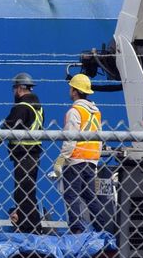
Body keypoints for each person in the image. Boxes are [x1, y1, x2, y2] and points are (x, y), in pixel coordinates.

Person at [0, 72, 44, 234]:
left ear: (19, 88)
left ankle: (31, 228)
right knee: (27, 192)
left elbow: (8, 127)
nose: (13, 93)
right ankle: (29, 227)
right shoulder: (37, 107)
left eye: (14, 89)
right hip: (33, 155)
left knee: (23, 193)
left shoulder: (22, 107)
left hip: (24, 155)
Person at [52, 73, 109, 234]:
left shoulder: (75, 111)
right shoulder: (95, 112)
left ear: (75, 91)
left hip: (76, 160)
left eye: (71, 88)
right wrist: (96, 161)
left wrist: (61, 160)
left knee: (71, 195)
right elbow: (99, 138)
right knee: (90, 196)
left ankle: (76, 229)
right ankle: (101, 227)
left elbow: (70, 138)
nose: (69, 91)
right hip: (91, 161)